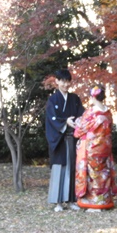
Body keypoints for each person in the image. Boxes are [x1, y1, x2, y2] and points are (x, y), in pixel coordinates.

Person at [74, 84, 117, 211]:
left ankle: (94, 203)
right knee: (103, 174)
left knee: (92, 175)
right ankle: (104, 200)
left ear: (92, 96)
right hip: (105, 147)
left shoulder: (91, 112)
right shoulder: (108, 112)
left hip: (92, 147)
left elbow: (80, 129)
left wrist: (75, 122)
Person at [45, 69, 85, 212]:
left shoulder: (75, 99)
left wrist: (80, 123)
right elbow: (51, 120)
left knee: (73, 170)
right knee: (60, 170)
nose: (66, 84)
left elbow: (82, 115)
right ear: (57, 81)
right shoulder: (53, 100)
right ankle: (58, 203)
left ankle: (72, 200)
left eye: (68, 81)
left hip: (73, 139)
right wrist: (65, 122)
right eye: (63, 81)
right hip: (59, 140)